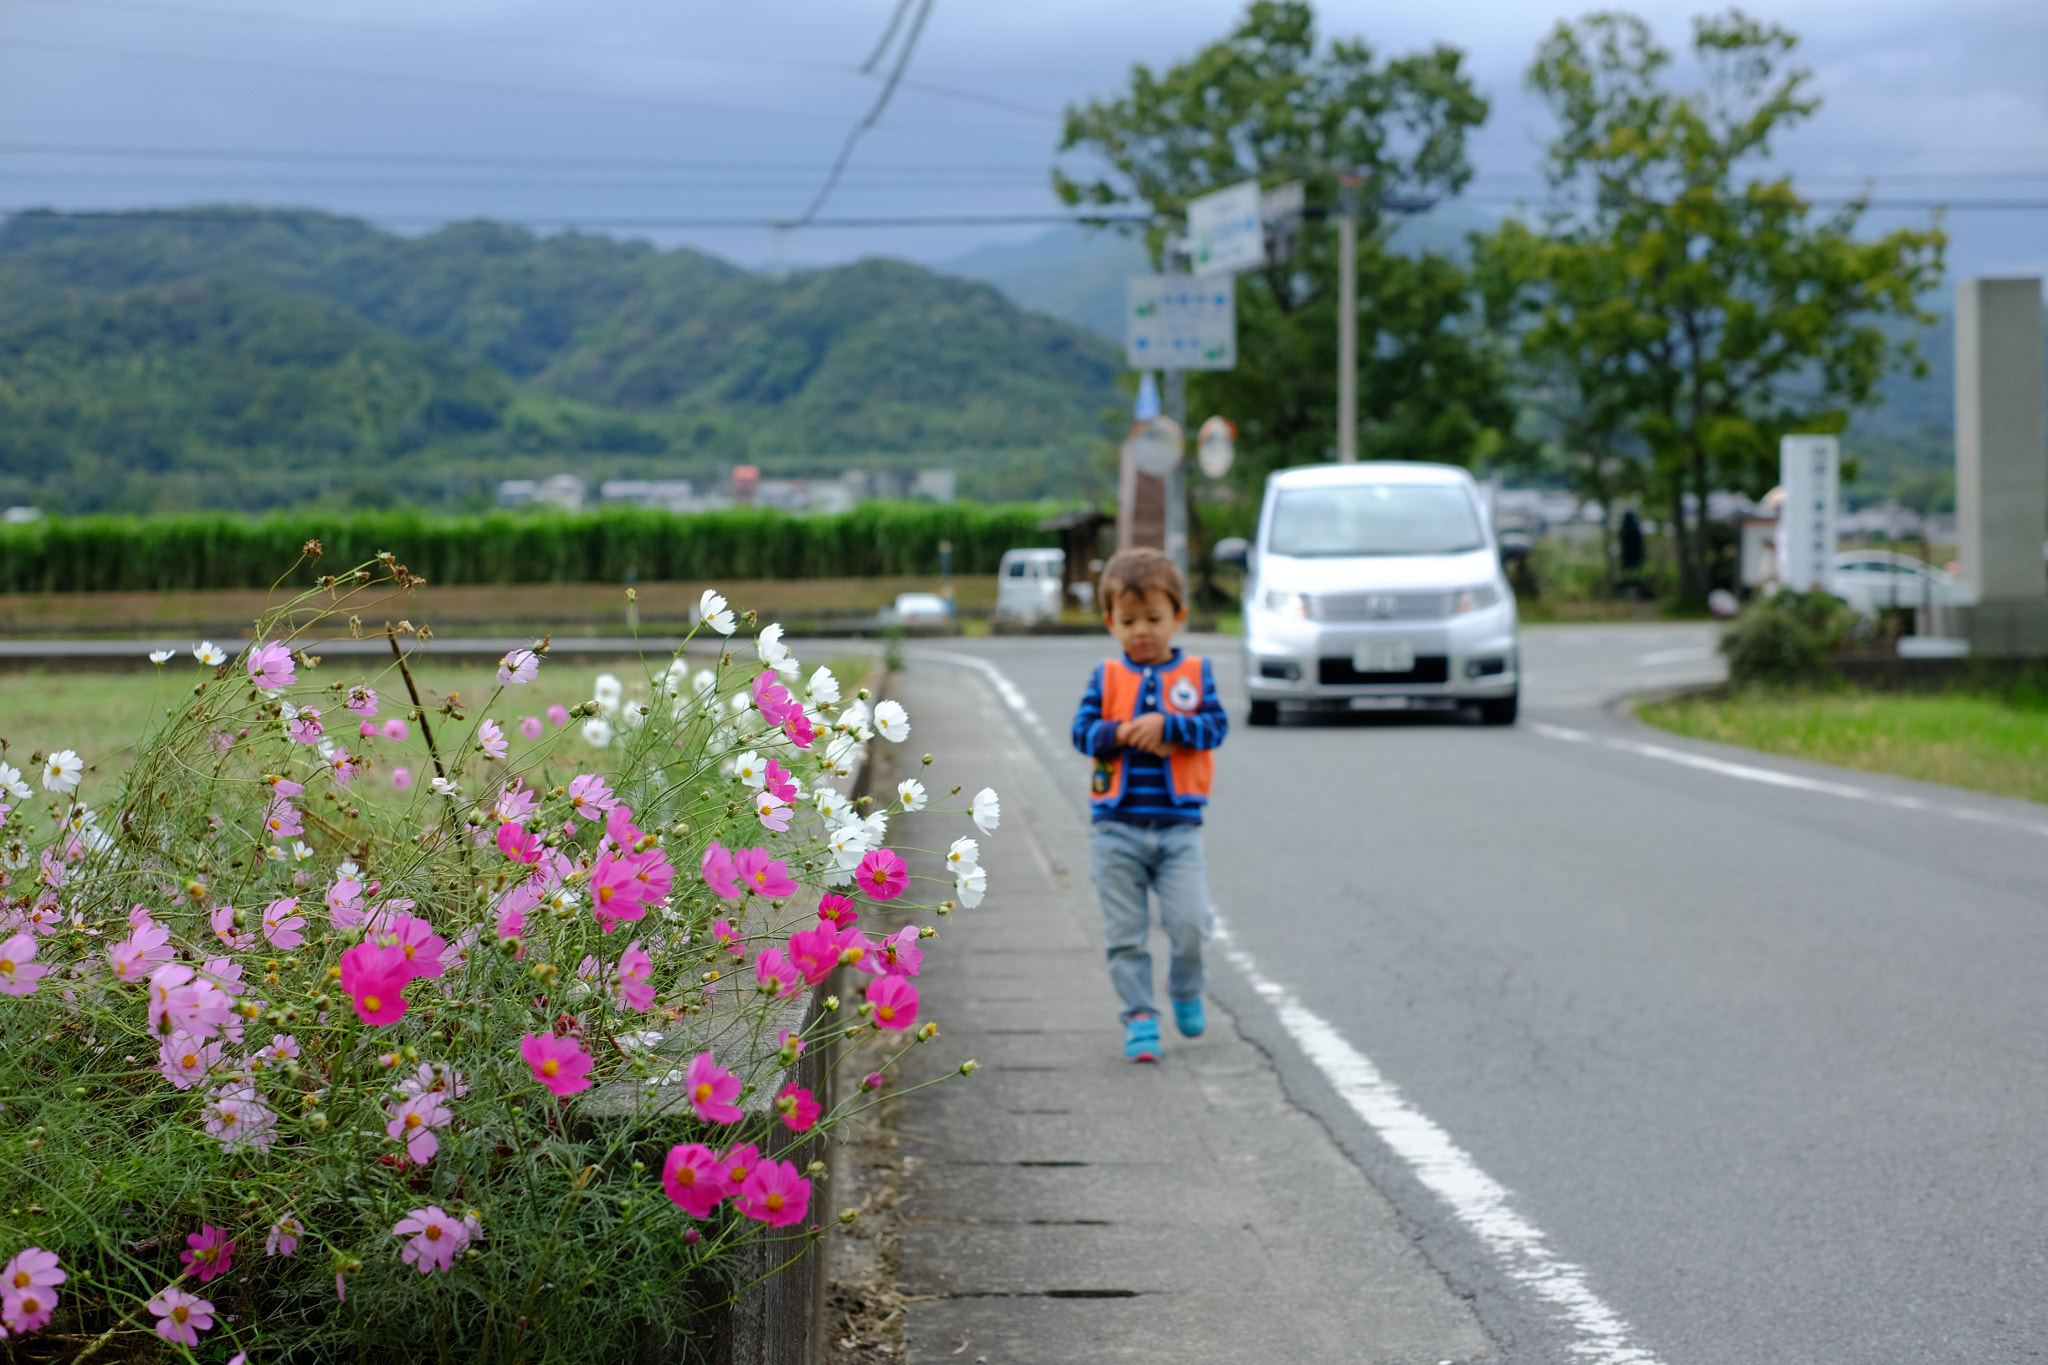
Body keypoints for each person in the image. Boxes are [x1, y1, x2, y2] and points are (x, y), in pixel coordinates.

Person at [1069, 548, 1229, 1062]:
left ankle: (1185, 986)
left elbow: (1215, 727)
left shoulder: (1196, 675)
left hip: (1179, 831)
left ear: (1178, 617)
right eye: (1129, 620)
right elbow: (1083, 733)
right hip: (1116, 832)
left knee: (1189, 927)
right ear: (1110, 623)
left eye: (1154, 619)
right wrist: (1120, 732)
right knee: (1125, 934)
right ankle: (1139, 1015)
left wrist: (1170, 727)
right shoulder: (1106, 677)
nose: (1143, 631)